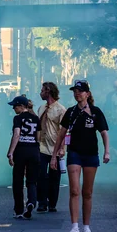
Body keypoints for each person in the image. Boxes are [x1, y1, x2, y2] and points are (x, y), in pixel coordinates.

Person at [52, 80, 110, 232]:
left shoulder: (96, 111)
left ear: (88, 94)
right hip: (74, 154)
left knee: (87, 192)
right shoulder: (70, 112)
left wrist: (107, 151)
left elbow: (104, 132)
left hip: (91, 154)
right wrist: (54, 156)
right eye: (75, 91)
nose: (77, 93)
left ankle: (86, 227)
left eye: (80, 91)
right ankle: (74, 227)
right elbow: (61, 135)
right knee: (74, 190)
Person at [6, 95, 40, 219]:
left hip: (21, 151)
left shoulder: (17, 118)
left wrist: (10, 152)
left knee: (18, 181)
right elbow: (39, 137)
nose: (13, 109)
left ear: (21, 106)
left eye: (15, 106)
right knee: (31, 180)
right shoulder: (36, 118)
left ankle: (19, 209)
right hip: (34, 151)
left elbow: (16, 135)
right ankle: (31, 201)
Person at [37, 81, 66, 213]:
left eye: (42, 90)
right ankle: (42, 202)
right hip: (41, 147)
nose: (40, 93)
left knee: (55, 177)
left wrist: (62, 148)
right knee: (41, 175)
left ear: (48, 91)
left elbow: (64, 131)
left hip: (55, 147)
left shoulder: (60, 110)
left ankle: (52, 203)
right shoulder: (41, 108)